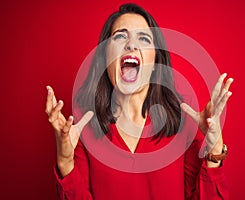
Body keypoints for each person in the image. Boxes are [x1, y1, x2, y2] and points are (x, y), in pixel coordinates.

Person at [45, 3, 233, 200]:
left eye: (143, 38)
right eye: (120, 36)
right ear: (104, 59)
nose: (131, 45)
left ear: (154, 63)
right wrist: (65, 162)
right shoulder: (84, 127)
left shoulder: (182, 123)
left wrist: (215, 149)